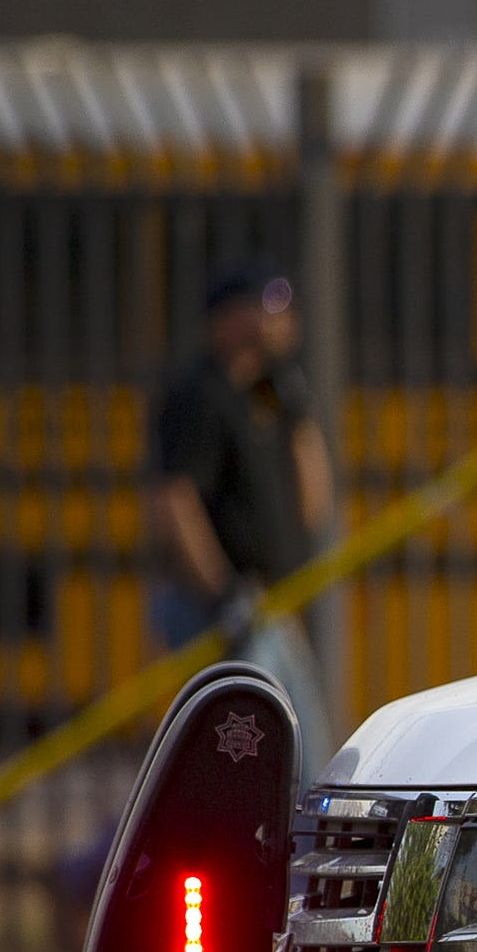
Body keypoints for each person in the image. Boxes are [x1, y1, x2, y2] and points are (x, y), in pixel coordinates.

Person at [147, 259, 340, 764]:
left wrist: (299, 415)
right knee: (248, 755)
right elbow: (176, 502)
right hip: (217, 609)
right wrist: (222, 590)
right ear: (229, 319)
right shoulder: (199, 395)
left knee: (305, 751)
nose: (283, 318)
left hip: (266, 604)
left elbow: (314, 504)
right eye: (268, 306)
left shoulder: (270, 391)